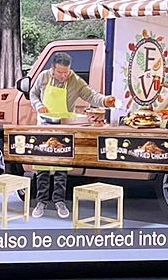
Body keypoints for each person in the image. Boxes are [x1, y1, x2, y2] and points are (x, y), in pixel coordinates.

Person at [29, 52, 116, 219]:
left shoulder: (74, 80)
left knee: (62, 168)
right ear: (52, 68)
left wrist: (105, 101)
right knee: (42, 167)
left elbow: (90, 95)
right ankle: (41, 202)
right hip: (45, 126)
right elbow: (33, 94)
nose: (63, 76)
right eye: (60, 72)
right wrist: (38, 105)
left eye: (66, 72)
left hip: (65, 127)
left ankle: (59, 201)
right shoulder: (43, 77)